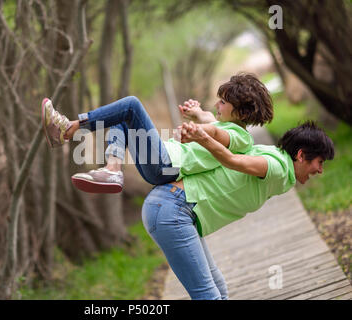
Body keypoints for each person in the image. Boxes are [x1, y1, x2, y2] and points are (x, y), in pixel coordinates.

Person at [139, 120, 334, 299]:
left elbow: (230, 138)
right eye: (320, 162)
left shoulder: (276, 160)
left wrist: (202, 117)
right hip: (173, 209)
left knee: (219, 290)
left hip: (175, 207)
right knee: (209, 295)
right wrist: (203, 138)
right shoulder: (276, 166)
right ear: (301, 155)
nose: (320, 170)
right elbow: (233, 160)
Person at [42, 73, 274, 193]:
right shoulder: (225, 124)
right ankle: (113, 170)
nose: (217, 105)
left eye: (223, 102)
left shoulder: (241, 138)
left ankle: (69, 127)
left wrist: (197, 129)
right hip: (163, 167)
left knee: (131, 105)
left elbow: (213, 131)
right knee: (120, 118)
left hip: (167, 166)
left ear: (242, 113)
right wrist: (196, 113)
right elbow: (208, 118)